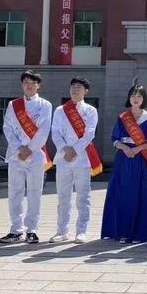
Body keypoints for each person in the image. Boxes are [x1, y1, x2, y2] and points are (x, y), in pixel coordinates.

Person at [101, 85, 147, 244]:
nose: (136, 99)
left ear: (144, 99)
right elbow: (115, 138)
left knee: (140, 194)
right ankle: (122, 231)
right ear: (129, 98)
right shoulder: (123, 117)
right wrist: (125, 148)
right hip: (124, 158)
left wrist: (138, 148)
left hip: (142, 159)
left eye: (139, 96)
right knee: (123, 193)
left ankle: (140, 233)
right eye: (133, 95)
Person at [0, 70, 52, 244]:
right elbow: (7, 128)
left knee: (35, 193)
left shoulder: (45, 105)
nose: (29, 86)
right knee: (14, 192)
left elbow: (44, 130)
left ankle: (32, 230)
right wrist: (19, 148)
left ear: (38, 85)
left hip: (36, 155)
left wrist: (29, 149)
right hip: (16, 155)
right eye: (26, 83)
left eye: (32, 83)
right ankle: (16, 230)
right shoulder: (13, 105)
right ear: (22, 85)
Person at [50, 77, 100, 244]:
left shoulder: (91, 110)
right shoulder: (60, 110)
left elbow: (90, 133)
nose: (75, 90)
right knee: (63, 196)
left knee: (83, 197)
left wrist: (75, 149)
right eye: (73, 87)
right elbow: (55, 133)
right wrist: (66, 149)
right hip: (63, 158)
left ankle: (81, 231)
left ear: (86, 91)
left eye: (79, 87)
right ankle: (62, 231)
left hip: (82, 159)